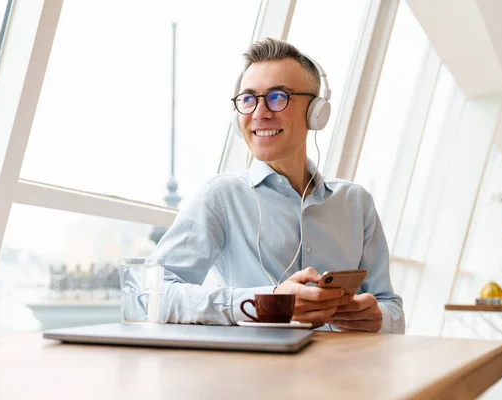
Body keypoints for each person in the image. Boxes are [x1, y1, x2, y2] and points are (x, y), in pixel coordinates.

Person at [152, 37, 404, 333]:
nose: (259, 113)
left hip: (346, 372)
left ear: (316, 112)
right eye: (248, 99)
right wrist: (263, 304)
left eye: (277, 97)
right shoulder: (220, 197)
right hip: (258, 375)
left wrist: (380, 318)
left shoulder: (356, 202)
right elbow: (151, 295)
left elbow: (391, 307)